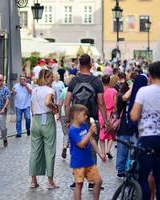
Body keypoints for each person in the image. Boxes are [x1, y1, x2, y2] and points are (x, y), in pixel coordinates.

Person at [130, 61, 160, 200]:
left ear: (150, 75)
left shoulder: (144, 91)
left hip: (147, 137)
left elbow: (134, 116)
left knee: (143, 176)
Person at [64, 54, 108, 190]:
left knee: (76, 149)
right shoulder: (97, 81)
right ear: (90, 64)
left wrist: (67, 119)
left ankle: (76, 179)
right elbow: (101, 103)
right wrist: (105, 120)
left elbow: (67, 102)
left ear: (79, 64)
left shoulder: (74, 81)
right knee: (92, 149)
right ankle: (92, 181)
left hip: (76, 120)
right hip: (91, 119)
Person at [69, 104, 106, 200]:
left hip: (89, 161)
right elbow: (81, 144)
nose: (86, 117)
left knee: (98, 181)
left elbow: (92, 140)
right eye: (84, 115)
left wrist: (100, 153)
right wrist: (90, 132)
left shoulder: (84, 125)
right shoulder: (72, 130)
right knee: (79, 184)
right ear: (76, 116)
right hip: (78, 163)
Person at [29, 69, 58, 189]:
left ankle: (33, 180)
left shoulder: (34, 90)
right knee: (50, 150)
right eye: (51, 77)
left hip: (36, 121)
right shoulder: (50, 90)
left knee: (35, 151)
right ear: (46, 77)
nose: (53, 79)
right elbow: (47, 102)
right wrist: (54, 107)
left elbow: (31, 107)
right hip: (47, 120)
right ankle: (50, 181)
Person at [115, 81, 132, 179]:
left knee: (130, 151)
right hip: (124, 127)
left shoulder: (138, 97)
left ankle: (129, 169)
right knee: (122, 150)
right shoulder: (121, 96)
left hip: (133, 128)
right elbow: (120, 103)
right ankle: (121, 170)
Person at [99, 75, 117, 159]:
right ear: (109, 81)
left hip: (101, 114)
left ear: (101, 81)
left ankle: (102, 153)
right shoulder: (114, 91)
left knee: (102, 134)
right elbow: (115, 105)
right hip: (111, 114)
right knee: (111, 132)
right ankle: (108, 149)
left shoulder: (100, 91)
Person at [58, 76, 71, 159]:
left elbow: (60, 104)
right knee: (73, 133)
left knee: (66, 133)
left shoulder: (64, 90)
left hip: (63, 114)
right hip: (73, 114)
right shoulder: (76, 90)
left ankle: (64, 146)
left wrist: (59, 114)